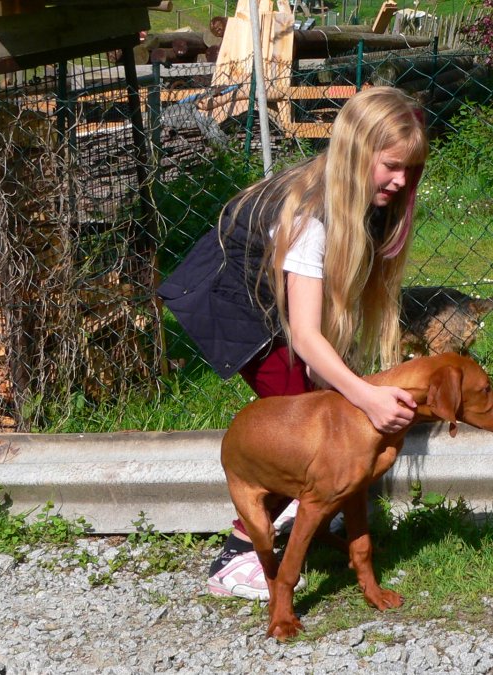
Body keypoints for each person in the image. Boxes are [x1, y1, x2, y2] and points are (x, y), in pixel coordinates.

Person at [158, 86, 428, 600]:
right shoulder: (309, 217)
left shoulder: (364, 204)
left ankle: (318, 514)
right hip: (231, 303)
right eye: (392, 165)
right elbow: (304, 336)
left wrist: (346, 384)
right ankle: (238, 555)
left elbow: (314, 325)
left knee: (328, 399)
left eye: (411, 170)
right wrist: (365, 395)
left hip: (273, 302)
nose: (401, 180)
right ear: (355, 153)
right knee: (303, 422)